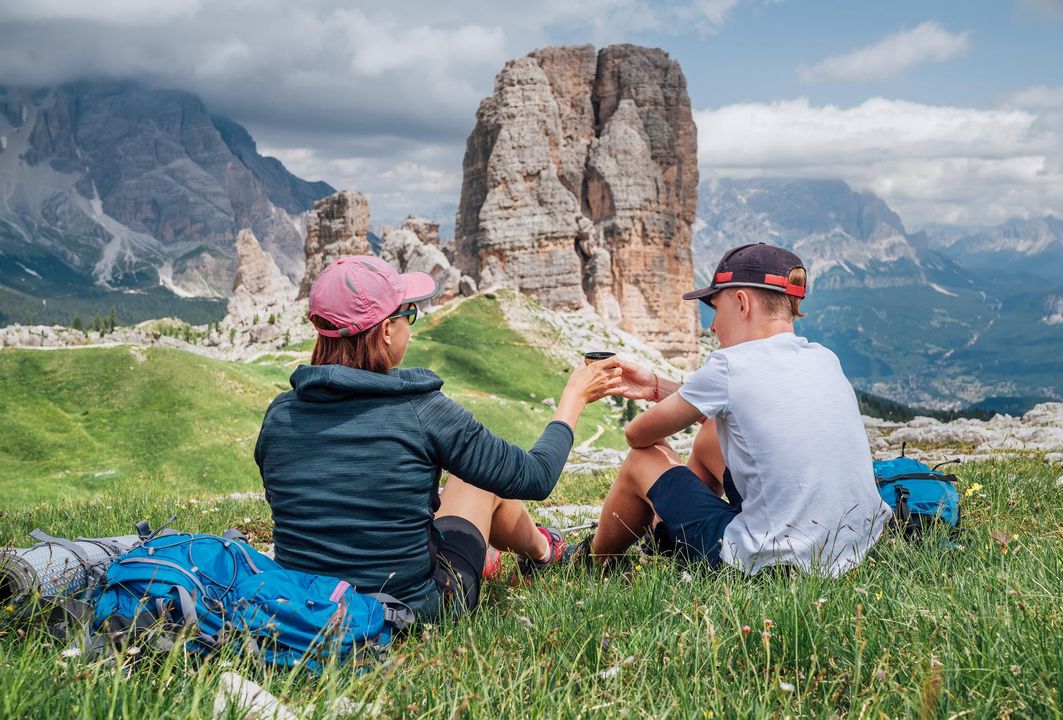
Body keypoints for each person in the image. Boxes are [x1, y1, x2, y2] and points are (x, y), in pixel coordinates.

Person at [253, 255, 622, 622]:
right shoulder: (421, 408)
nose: (410, 326)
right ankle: (544, 552)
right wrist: (575, 396)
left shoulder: (280, 414)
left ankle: (541, 549)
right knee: (480, 481)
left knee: (465, 482)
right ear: (385, 331)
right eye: (408, 314)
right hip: (407, 611)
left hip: (302, 607)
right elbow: (536, 477)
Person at [583, 242, 891, 575]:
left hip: (772, 566)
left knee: (643, 460)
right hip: (849, 549)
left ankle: (595, 562)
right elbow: (736, 406)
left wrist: (650, 400)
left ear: (742, 302)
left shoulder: (730, 365)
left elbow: (637, 435)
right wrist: (657, 387)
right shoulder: (824, 357)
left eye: (716, 308)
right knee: (711, 433)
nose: (712, 326)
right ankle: (674, 537)